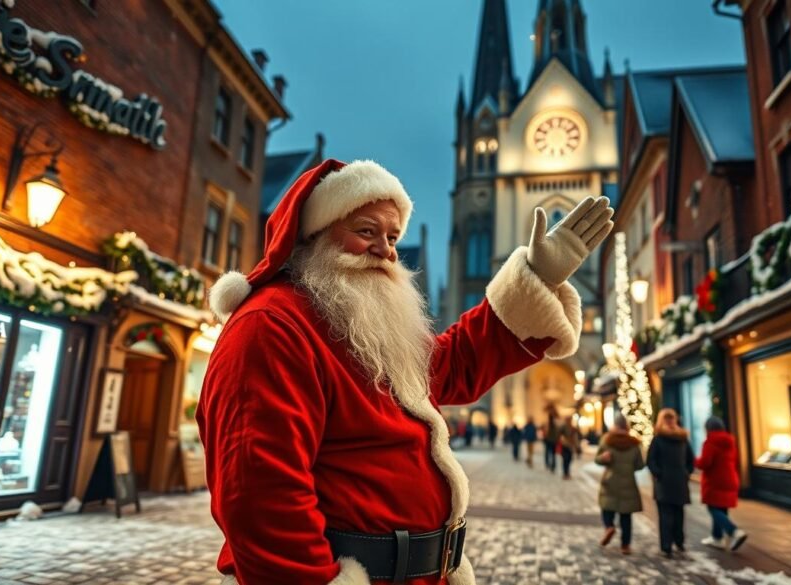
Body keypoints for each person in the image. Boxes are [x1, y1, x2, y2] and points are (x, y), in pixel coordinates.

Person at [198, 158, 613, 584]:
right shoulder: (272, 325)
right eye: (366, 231)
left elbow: (453, 363)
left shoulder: (357, 322)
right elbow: (259, 497)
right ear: (315, 234)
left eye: (393, 236)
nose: (387, 250)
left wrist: (536, 278)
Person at [646, 408, 696, 559]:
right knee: (666, 515)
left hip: (679, 481)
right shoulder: (658, 439)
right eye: (666, 419)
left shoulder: (682, 438)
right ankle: (666, 546)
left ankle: (679, 542)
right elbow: (651, 460)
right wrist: (658, 473)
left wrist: (686, 472)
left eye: (672, 418)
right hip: (664, 483)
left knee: (678, 514)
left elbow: (690, 459)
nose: (670, 421)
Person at [695, 416, 747, 552]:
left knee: (713, 508)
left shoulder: (710, 442)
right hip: (730, 478)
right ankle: (717, 538)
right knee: (721, 508)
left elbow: (705, 463)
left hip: (715, 480)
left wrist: (694, 460)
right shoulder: (730, 440)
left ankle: (734, 531)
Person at [595, 414, 644, 555]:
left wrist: (604, 459)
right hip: (628, 483)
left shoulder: (607, 440)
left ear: (615, 425)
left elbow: (597, 460)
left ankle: (609, 527)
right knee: (626, 516)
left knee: (606, 508)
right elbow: (640, 465)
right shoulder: (634, 443)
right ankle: (625, 545)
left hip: (610, 481)